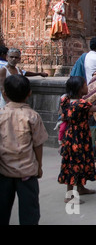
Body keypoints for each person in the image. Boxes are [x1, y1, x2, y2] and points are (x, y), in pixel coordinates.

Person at [57, 76, 96, 204]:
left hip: (71, 135)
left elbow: (63, 115)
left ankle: (80, 187)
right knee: (75, 165)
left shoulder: (66, 100)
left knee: (78, 162)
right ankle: (69, 196)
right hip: (79, 138)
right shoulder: (81, 104)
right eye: (85, 85)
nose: (87, 87)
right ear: (79, 89)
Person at [0, 75, 48, 225]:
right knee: (29, 212)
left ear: (4, 93)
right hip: (27, 172)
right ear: (29, 93)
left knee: (2, 209)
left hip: (3, 171)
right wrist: (39, 166)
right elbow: (38, 145)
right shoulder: (32, 116)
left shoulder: (1, 114)